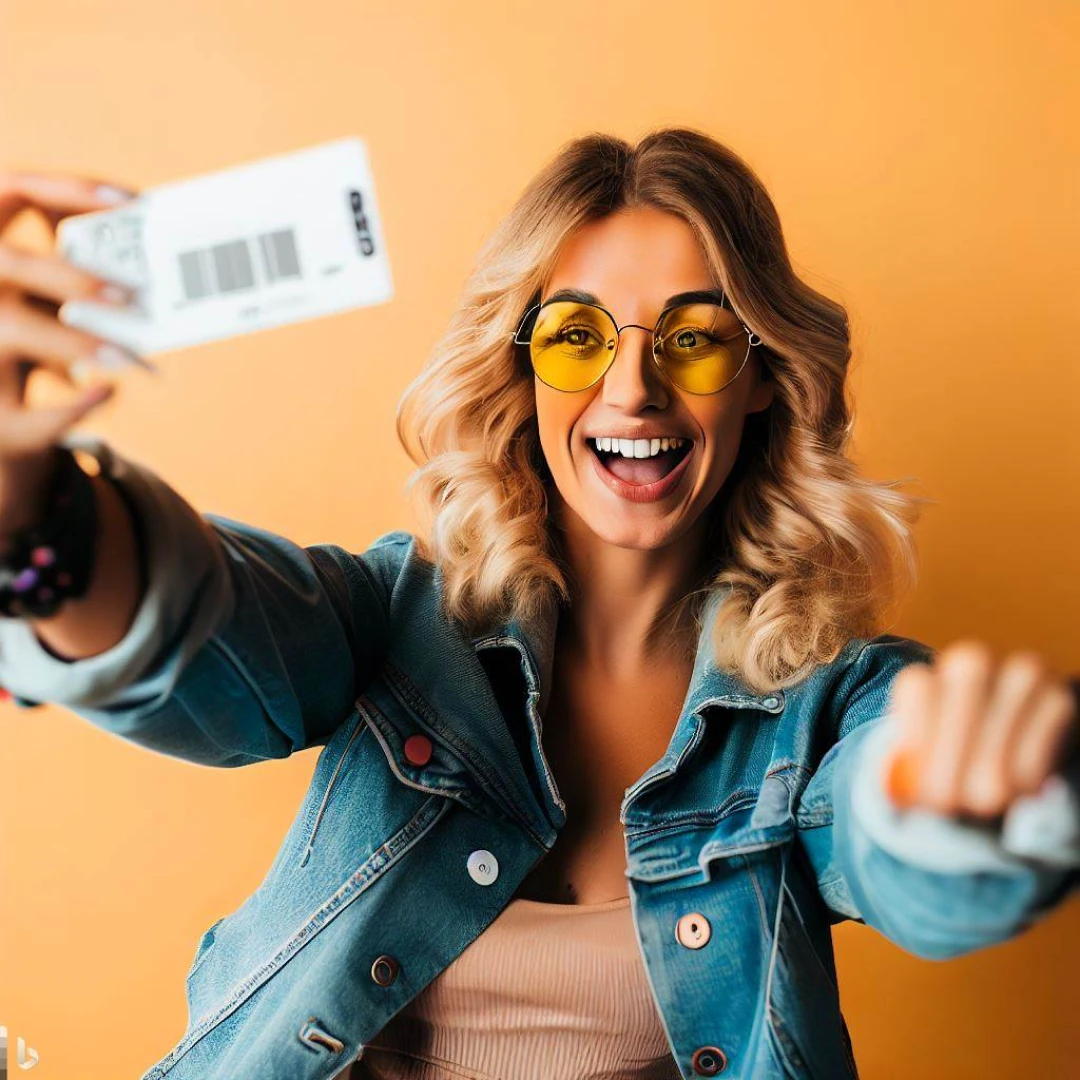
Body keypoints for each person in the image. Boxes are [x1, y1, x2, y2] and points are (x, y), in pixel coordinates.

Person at [0, 128, 1077, 1080]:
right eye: (577, 337)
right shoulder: (395, 621)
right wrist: (30, 516)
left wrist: (968, 812)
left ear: (761, 375)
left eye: (695, 338)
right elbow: (203, 634)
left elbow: (896, 834)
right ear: (519, 368)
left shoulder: (831, 709)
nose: (633, 390)